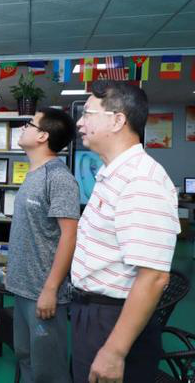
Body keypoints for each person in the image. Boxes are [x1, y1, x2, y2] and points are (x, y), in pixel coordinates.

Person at [71, 80, 180, 383]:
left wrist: (115, 351)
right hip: (93, 314)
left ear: (118, 120)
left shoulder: (141, 180)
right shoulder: (113, 174)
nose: (79, 122)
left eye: (88, 113)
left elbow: (154, 276)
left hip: (114, 321)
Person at [6, 108, 80, 383]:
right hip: (22, 287)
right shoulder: (34, 173)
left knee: (49, 371)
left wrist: (50, 290)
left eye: (29, 124)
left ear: (42, 136)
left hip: (44, 292)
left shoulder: (58, 177)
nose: (23, 127)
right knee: (25, 357)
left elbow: (69, 236)